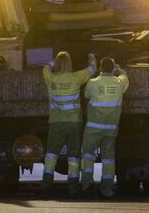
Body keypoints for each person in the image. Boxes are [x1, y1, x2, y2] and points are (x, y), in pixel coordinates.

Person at [42, 51, 96, 197]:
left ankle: (46, 184)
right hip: (74, 123)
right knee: (73, 155)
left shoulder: (50, 78)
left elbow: (45, 68)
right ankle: (73, 186)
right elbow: (92, 69)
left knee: (51, 154)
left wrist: (54, 61)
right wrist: (91, 57)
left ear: (57, 64)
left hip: (56, 122)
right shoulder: (76, 77)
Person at [80, 57, 129, 198]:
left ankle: (86, 185)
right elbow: (125, 76)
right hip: (111, 129)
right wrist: (119, 69)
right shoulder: (119, 83)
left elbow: (86, 95)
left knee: (88, 156)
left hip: (93, 129)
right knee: (108, 159)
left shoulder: (93, 83)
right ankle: (106, 189)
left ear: (100, 68)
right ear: (112, 68)